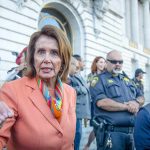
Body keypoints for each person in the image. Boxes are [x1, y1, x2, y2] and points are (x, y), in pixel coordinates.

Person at [0, 25, 76, 150]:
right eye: (41, 52)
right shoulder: (12, 90)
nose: (46, 59)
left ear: (63, 61)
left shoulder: (70, 92)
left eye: (54, 53)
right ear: (32, 58)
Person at [90, 50, 144, 150]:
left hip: (131, 133)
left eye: (120, 62)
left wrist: (136, 103)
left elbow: (141, 97)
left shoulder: (127, 80)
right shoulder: (98, 80)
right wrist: (127, 106)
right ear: (107, 62)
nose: (118, 64)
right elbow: (102, 103)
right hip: (112, 134)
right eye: (114, 62)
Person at [84, 56, 106, 150]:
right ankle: (88, 144)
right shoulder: (91, 76)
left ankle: (101, 146)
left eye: (104, 62)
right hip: (94, 105)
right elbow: (87, 90)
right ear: (96, 63)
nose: (102, 64)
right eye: (100, 62)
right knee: (96, 127)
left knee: (104, 126)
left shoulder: (106, 75)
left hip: (105, 104)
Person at [72, 54, 91, 150]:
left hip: (80, 114)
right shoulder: (70, 76)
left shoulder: (79, 75)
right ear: (77, 62)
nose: (84, 64)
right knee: (76, 137)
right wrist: (83, 88)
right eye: (83, 61)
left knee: (78, 137)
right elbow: (68, 89)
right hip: (75, 113)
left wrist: (86, 114)